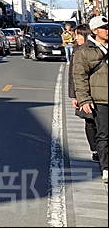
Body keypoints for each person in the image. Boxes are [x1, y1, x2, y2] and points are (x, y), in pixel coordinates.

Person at [73, 15, 109, 183]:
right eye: (105, 28)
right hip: (100, 99)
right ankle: (106, 167)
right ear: (95, 31)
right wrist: (84, 99)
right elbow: (79, 76)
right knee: (104, 134)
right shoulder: (84, 51)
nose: (108, 30)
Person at [69, 25, 99, 162]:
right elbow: (73, 76)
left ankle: (102, 149)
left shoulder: (98, 49)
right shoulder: (76, 51)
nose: (76, 38)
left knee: (102, 123)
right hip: (83, 92)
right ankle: (95, 150)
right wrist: (74, 96)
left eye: (79, 35)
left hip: (99, 90)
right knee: (90, 121)